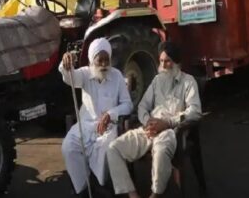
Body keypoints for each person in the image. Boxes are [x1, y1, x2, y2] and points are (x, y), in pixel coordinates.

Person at [107, 41, 202, 198]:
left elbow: (195, 111)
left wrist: (168, 123)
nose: (163, 65)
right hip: (149, 129)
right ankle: (132, 194)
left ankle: (155, 195)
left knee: (160, 152)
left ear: (177, 62)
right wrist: (147, 122)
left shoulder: (188, 82)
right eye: (162, 61)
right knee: (113, 149)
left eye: (168, 61)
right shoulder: (157, 81)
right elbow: (143, 106)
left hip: (170, 130)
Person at [59, 38, 133, 197]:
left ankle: (101, 186)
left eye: (107, 60)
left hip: (108, 128)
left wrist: (110, 114)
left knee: (107, 150)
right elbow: (69, 77)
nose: (104, 64)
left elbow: (128, 105)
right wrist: (66, 63)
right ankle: (83, 189)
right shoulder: (85, 74)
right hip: (85, 126)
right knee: (68, 147)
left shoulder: (117, 76)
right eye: (100, 60)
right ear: (93, 60)